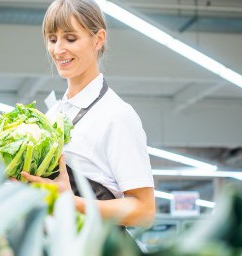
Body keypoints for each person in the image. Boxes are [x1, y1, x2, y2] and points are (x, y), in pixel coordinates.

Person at [20, 0, 155, 228]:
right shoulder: (52, 115)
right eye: (52, 39)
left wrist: (70, 201)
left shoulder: (116, 115)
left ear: (98, 39)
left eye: (70, 38)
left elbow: (144, 211)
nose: (58, 49)